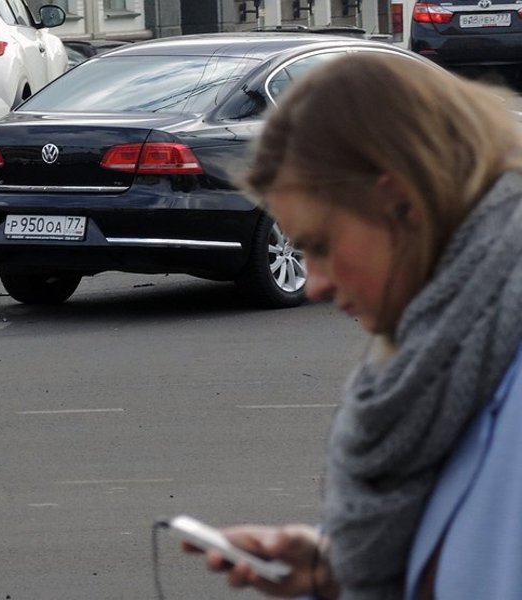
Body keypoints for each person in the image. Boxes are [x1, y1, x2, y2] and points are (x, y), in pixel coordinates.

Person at [185, 52, 522, 599]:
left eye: (319, 246)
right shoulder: (455, 356)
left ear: (400, 201)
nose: (312, 283)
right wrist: (334, 570)